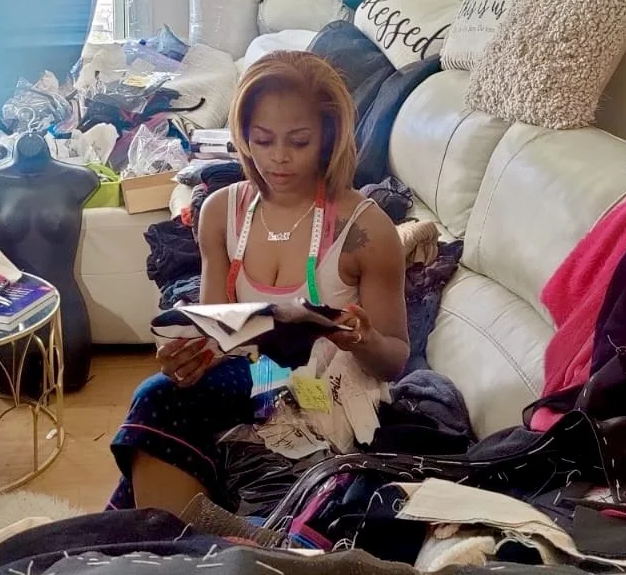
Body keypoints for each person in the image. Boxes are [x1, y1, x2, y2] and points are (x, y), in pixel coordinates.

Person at [109, 51, 409, 515]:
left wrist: (363, 339)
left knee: (166, 410)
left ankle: (194, 539)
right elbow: (215, 334)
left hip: (325, 395)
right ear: (243, 136)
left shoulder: (367, 230)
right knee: (158, 394)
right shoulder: (220, 212)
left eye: (299, 142)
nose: (279, 157)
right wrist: (185, 358)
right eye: (262, 140)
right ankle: (178, 542)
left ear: (329, 138)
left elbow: (395, 360)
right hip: (251, 380)